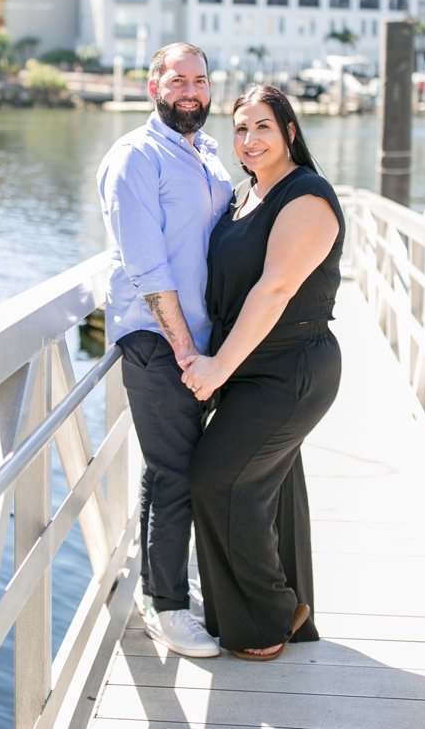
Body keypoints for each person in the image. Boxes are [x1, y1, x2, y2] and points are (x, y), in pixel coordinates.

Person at [178, 84, 343, 661]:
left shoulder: (306, 197)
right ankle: (269, 611)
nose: (249, 140)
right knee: (267, 486)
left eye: (263, 128)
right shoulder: (245, 195)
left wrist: (219, 365)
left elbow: (274, 289)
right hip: (250, 365)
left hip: (290, 369)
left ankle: (271, 614)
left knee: (218, 479)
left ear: (290, 132)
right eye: (241, 129)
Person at [96, 42, 233, 658]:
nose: (191, 92)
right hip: (160, 342)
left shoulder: (204, 154)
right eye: (178, 80)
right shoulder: (135, 157)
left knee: (168, 469)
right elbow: (146, 266)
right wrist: (184, 350)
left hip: (207, 343)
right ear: (154, 86)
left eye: (200, 81)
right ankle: (170, 610)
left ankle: (161, 588)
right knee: (177, 473)